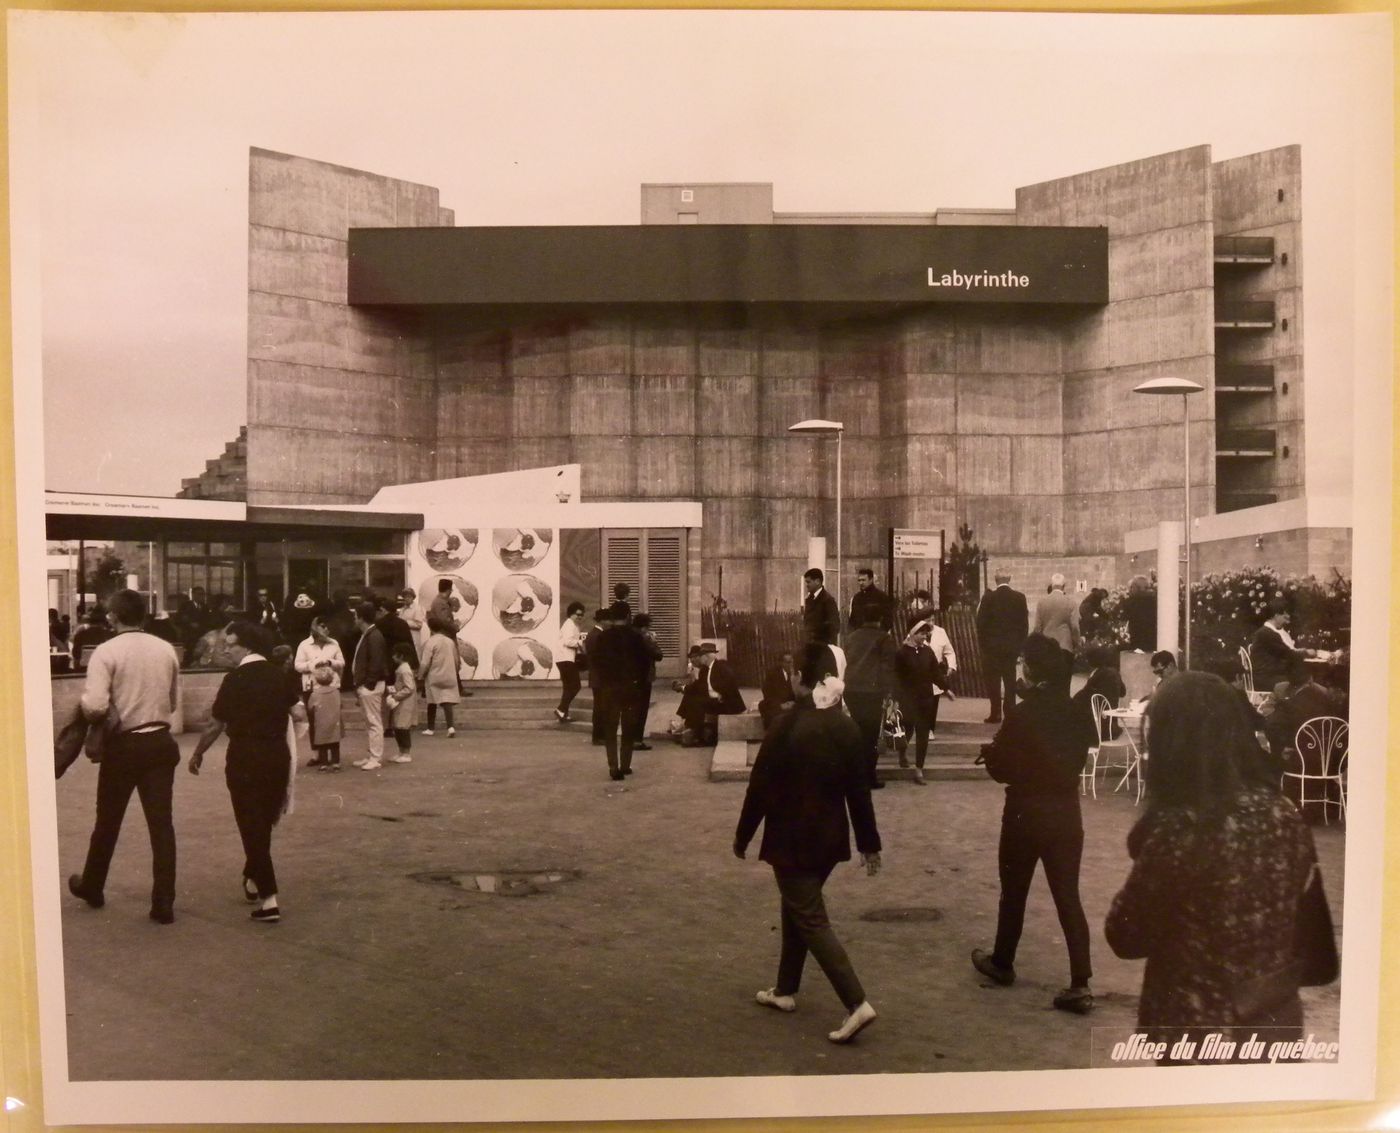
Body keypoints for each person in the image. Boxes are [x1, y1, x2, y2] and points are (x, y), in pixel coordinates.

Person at [1105, 671, 1337, 1058]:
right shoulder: (1284, 814)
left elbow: (1125, 937)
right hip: (1274, 1021)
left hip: (1197, 1031)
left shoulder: (1181, 827)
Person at [733, 641, 882, 1045]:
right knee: (797, 907)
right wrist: (870, 844)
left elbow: (759, 787)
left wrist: (743, 834)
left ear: (805, 681)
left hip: (790, 839)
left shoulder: (786, 726)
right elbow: (860, 793)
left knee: (811, 918)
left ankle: (857, 1003)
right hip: (830, 839)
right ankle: (784, 989)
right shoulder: (847, 727)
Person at [972, 633, 1098, 1014]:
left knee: (1014, 891)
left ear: (1031, 669)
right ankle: (1080, 983)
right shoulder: (1075, 711)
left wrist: (992, 756)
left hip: (1024, 812)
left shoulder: (1022, 714)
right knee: (1068, 896)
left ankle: (1003, 962)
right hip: (1065, 812)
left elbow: (1002, 768)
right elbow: (1080, 754)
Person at [66, 589, 181, 925]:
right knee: (162, 825)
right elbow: (173, 703)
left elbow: (97, 705)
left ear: (113, 617)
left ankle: (93, 885)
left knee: (108, 820)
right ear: (144, 616)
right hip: (160, 742)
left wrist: (85, 707)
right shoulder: (166, 650)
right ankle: (163, 903)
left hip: (123, 746)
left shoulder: (106, 652)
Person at [189, 621, 303, 924]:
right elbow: (300, 713)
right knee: (263, 822)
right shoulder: (279, 676)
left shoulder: (234, 679)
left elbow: (216, 724)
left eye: (231, 643)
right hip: (277, 755)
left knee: (250, 825)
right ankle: (252, 878)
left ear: (248, 646)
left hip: (244, 757)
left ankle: (270, 899)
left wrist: (198, 752)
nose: (227, 648)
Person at [589, 607, 654, 780]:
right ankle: (625, 765)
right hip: (631, 688)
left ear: (612, 617)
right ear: (627, 616)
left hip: (610, 688)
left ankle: (613, 766)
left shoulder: (604, 637)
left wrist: (605, 682)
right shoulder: (635, 637)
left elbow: (596, 661)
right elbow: (644, 662)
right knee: (628, 727)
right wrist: (638, 682)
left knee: (610, 728)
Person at [893, 621, 956, 786]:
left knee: (923, 733)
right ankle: (902, 752)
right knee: (907, 728)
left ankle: (919, 769)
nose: (924, 636)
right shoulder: (901, 653)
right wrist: (895, 698)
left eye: (926, 633)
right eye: (921, 633)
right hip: (907, 699)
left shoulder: (928, 652)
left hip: (925, 698)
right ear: (912, 634)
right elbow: (896, 678)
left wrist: (946, 689)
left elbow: (935, 673)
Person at [843, 616, 897, 789]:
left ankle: (854, 776)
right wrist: (888, 691)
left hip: (851, 690)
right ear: (879, 620)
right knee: (871, 736)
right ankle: (869, 777)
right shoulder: (884, 638)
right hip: (872, 692)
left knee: (856, 733)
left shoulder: (851, 637)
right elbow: (886, 667)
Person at [976, 572, 1028, 724]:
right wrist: (1020, 647)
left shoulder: (988, 598)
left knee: (993, 681)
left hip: (992, 649)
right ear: (1009, 579)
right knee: (1009, 680)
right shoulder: (1019, 598)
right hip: (1011, 649)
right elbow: (1023, 626)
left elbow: (981, 624)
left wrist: (984, 645)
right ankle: (1010, 712)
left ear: (995, 580)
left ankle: (995, 713)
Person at [676, 642, 746, 746]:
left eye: (701, 655)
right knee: (693, 697)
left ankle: (696, 734)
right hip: (712, 700)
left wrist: (722, 695)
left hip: (726, 704)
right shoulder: (706, 669)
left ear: (706, 656)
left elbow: (730, 683)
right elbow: (698, 686)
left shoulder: (721, 667)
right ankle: (690, 729)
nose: (700, 658)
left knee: (697, 703)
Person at [349, 601, 390, 770]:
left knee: (373, 722)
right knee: (370, 722)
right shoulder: (370, 634)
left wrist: (368, 684)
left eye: (356, 616)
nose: (354, 619)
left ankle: (375, 757)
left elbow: (376, 661)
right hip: (367, 684)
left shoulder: (373, 636)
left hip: (370, 685)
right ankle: (372, 755)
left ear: (361, 617)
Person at [1250, 600, 1320, 691]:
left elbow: (1285, 652)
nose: (1286, 618)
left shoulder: (1267, 632)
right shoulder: (1267, 633)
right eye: (1284, 615)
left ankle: (1321, 693)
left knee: (1303, 677)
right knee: (1303, 680)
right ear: (1276, 615)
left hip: (1269, 674)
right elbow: (1288, 654)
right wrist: (1306, 652)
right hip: (1267, 677)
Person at [1031, 573, 1080, 693]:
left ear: (1051, 586)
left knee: (1048, 684)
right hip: (1065, 647)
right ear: (1064, 586)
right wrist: (1077, 644)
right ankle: (1063, 709)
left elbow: (1037, 628)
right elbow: (1075, 627)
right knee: (1064, 684)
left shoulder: (1042, 602)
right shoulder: (1071, 602)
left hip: (1047, 648)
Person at [1072, 644, 1127, 739]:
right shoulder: (1115, 672)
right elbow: (1123, 693)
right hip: (1111, 719)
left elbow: (1084, 693)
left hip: (1099, 719)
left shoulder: (1099, 674)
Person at [417, 621, 461, 737]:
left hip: (434, 675)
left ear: (431, 629)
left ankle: (430, 728)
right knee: (447, 701)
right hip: (449, 674)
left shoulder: (430, 642)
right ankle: (450, 727)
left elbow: (425, 663)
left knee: (431, 702)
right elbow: (456, 660)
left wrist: (420, 676)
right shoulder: (450, 642)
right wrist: (455, 672)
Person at [293, 616, 345, 711]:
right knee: (314, 720)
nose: (326, 629)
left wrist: (329, 662)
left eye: (328, 627)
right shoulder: (304, 645)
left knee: (333, 719)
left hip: (332, 687)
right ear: (314, 627)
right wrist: (312, 664)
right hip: (312, 688)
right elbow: (297, 666)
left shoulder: (334, 643)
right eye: (323, 626)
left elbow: (341, 663)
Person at [630, 612, 663, 750]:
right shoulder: (644, 638)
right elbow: (658, 655)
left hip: (630, 677)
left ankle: (630, 738)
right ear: (644, 627)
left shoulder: (629, 636)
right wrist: (654, 642)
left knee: (632, 709)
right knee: (641, 709)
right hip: (643, 678)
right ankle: (637, 740)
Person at [383, 642, 419, 764]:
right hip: (401, 702)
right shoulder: (402, 669)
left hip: (404, 703)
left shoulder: (404, 670)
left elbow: (409, 688)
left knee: (403, 728)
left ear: (401, 656)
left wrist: (396, 696)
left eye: (395, 655)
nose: (393, 657)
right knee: (398, 727)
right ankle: (401, 752)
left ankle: (406, 753)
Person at [305, 662, 344, 771]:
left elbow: (310, 708)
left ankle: (324, 763)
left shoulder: (315, 694)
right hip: (334, 720)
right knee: (335, 742)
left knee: (322, 743)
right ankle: (336, 762)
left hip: (321, 721)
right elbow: (340, 705)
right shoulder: (336, 692)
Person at [554, 601, 587, 723]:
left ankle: (564, 714)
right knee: (575, 686)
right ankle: (561, 709)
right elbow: (568, 642)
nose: (580, 617)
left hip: (563, 659)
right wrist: (580, 643)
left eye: (582, 615)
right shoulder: (570, 625)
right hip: (566, 659)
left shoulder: (572, 625)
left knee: (568, 687)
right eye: (577, 614)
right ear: (571, 614)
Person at [757, 651, 797, 730]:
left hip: (792, 704)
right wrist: (780, 705)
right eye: (788, 663)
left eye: (792, 662)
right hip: (778, 704)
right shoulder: (772, 674)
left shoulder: (797, 674)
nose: (791, 665)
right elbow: (767, 692)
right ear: (782, 663)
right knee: (763, 705)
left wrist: (793, 703)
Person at [801, 568, 841, 647]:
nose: (806, 585)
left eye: (808, 582)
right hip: (810, 646)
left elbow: (835, 626)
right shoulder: (809, 599)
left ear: (817, 581)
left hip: (823, 647)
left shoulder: (828, 600)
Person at [848, 568, 892, 633]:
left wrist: (881, 631)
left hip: (876, 636)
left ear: (871, 580)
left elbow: (888, 618)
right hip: (859, 635)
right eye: (859, 580)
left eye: (863, 580)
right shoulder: (857, 598)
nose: (861, 583)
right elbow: (853, 619)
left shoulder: (881, 597)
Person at [1123, 575, 1156, 652]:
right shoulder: (1155, 601)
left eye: (1132, 587)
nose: (1130, 590)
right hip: (1152, 641)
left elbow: (1123, 616)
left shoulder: (1130, 602)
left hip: (1136, 641)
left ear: (1137, 588)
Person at [397, 586, 427, 652]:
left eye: (409, 597)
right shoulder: (402, 609)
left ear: (413, 597)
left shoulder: (417, 609)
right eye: (405, 596)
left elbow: (419, 625)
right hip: (404, 637)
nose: (407, 598)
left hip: (413, 637)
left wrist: (405, 622)